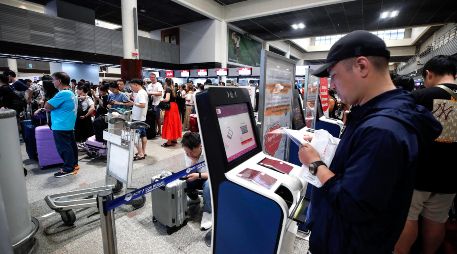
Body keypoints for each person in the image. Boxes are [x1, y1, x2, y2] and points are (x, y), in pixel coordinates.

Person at [299, 30, 442, 253]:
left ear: (362, 66)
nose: (333, 86)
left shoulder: (383, 130)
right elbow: (367, 171)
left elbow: (353, 204)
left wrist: (316, 164)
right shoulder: (381, 115)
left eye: (334, 76)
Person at [395, 55, 457, 254]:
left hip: (419, 172)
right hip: (450, 176)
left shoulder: (420, 97)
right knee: (437, 219)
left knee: (408, 217)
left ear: (428, 74)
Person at [44, 72, 79, 178]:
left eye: (53, 80)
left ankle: (68, 168)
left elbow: (47, 106)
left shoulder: (62, 94)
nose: (52, 82)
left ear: (59, 81)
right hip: (67, 124)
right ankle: (73, 164)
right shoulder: (70, 92)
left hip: (61, 125)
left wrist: (48, 102)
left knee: (64, 147)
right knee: (70, 146)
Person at [181, 132, 212, 230]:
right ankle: (194, 199)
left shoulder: (209, 151)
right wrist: (193, 161)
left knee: (207, 185)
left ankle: (208, 213)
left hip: (209, 179)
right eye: (187, 152)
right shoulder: (188, 153)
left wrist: (198, 175)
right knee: (186, 180)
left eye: (192, 152)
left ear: (199, 146)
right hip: (197, 177)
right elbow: (189, 172)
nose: (189, 154)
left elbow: (215, 175)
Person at [129, 79, 148, 160]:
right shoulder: (142, 92)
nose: (131, 88)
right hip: (141, 117)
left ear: (136, 84)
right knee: (143, 135)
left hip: (137, 118)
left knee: (135, 136)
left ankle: (140, 154)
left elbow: (142, 105)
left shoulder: (141, 93)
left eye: (132, 86)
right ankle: (142, 152)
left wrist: (133, 103)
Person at [161, 78, 182, 147]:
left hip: (170, 107)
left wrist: (161, 100)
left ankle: (169, 142)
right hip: (174, 106)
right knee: (174, 122)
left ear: (166, 83)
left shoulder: (168, 89)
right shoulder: (174, 89)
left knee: (169, 122)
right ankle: (174, 139)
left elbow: (167, 99)